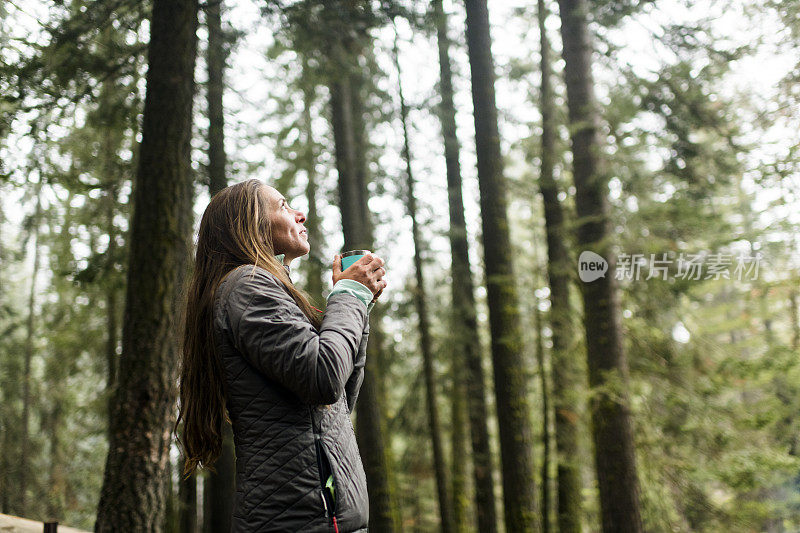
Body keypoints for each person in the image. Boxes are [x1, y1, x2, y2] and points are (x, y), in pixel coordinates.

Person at [177, 179, 386, 532]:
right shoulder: (246, 286)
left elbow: (335, 402)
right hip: (294, 521)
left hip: (323, 520)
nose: (300, 215)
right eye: (284, 206)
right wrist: (349, 295)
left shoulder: (267, 289)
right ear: (250, 224)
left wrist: (358, 304)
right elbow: (324, 377)